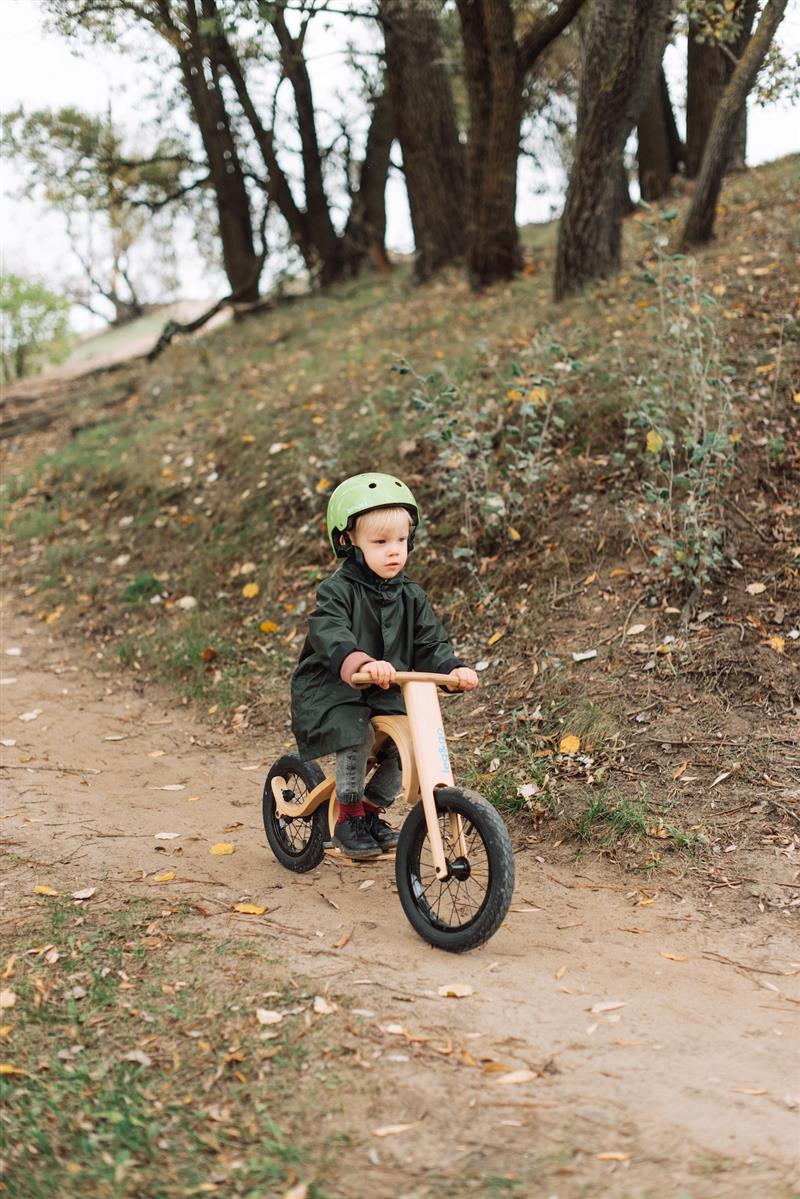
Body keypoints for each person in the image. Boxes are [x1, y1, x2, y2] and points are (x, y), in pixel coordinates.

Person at [291, 472, 478, 860]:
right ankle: (348, 816)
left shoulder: (411, 595)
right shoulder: (336, 590)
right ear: (348, 542)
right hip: (333, 685)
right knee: (355, 732)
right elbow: (330, 631)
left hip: (386, 687)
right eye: (380, 542)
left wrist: (453, 668)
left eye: (401, 540)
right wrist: (361, 662)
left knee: (408, 740)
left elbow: (430, 641)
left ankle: (372, 809)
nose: (394, 551)